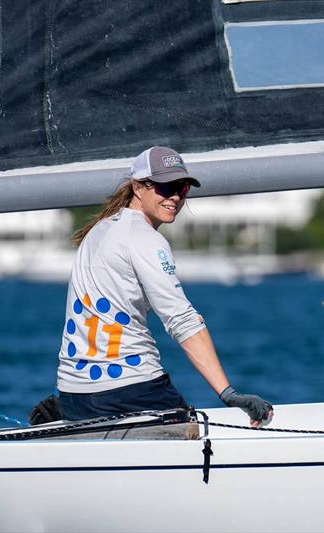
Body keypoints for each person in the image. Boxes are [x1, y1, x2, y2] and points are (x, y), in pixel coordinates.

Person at [54, 146, 272, 426]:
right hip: (128, 389)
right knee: (200, 434)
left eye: (182, 188)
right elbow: (182, 320)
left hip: (73, 395)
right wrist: (228, 394)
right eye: (164, 187)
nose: (175, 197)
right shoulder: (145, 239)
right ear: (137, 187)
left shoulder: (98, 230)